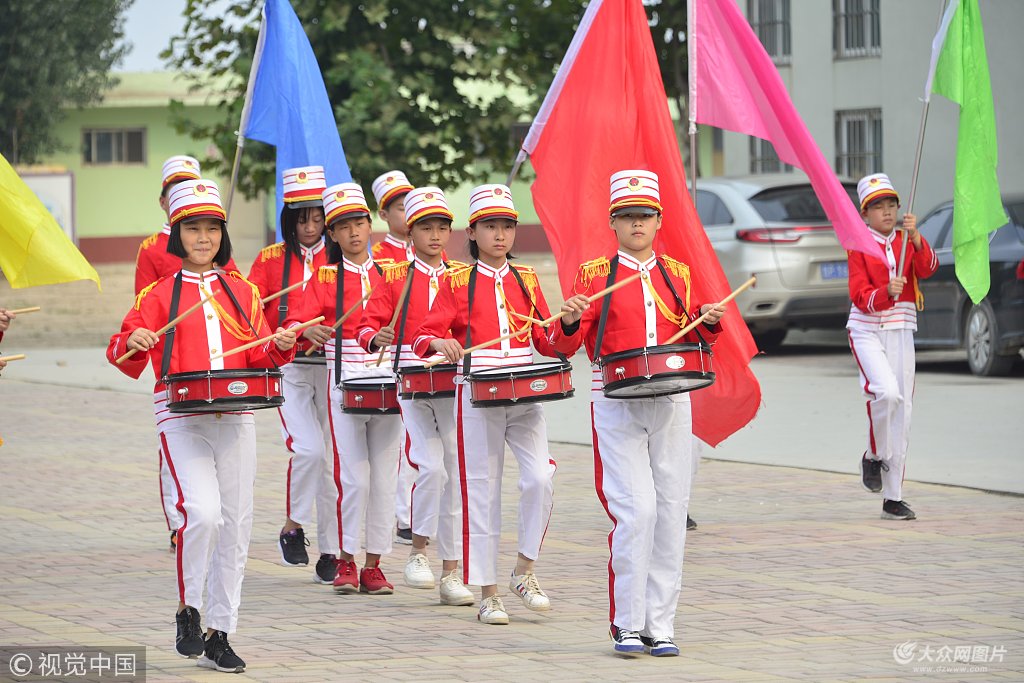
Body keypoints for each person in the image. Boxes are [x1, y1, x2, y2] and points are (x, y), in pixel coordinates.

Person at [107, 179, 296, 672]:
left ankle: (221, 630)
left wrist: (282, 341)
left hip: (235, 414)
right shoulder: (158, 293)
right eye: (193, 228)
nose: (204, 237)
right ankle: (188, 608)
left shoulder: (244, 291)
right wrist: (138, 336)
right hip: (180, 414)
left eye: (213, 227)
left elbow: (260, 355)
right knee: (204, 514)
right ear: (176, 233)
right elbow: (120, 351)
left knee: (237, 525)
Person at [549, 169, 726, 657]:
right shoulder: (594, 275)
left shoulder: (677, 273)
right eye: (627, 217)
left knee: (671, 510)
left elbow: (693, 337)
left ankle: (661, 625)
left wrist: (709, 324)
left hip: (672, 399)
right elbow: (559, 344)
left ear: (659, 220)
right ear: (613, 222)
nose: (637, 225)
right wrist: (567, 319)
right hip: (615, 399)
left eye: (644, 216)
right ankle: (626, 624)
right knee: (637, 511)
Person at [412, 184, 562, 625]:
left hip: (524, 392)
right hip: (476, 393)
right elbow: (425, 333)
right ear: (473, 232)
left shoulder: (528, 279)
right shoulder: (456, 280)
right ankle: (489, 592)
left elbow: (548, 340)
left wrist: (568, 321)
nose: (500, 235)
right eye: (490, 226)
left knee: (540, 478)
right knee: (480, 488)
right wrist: (439, 340)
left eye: (507, 226)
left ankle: (524, 570)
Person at [356, 187, 474, 606]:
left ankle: (451, 571)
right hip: (412, 384)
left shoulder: (462, 276)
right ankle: (418, 551)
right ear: (411, 232)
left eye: (443, 227)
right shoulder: (393, 276)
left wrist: (458, 343)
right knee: (433, 467)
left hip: (454, 384)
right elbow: (365, 328)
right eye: (427, 227)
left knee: (458, 475)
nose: (437, 235)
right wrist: (377, 338)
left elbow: (469, 327)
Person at [285, 181, 401, 595]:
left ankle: (375, 564)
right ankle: (347, 560)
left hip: (389, 385)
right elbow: (297, 324)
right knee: (353, 478)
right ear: (332, 234)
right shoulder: (324, 277)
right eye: (344, 226)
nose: (353, 232)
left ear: (371, 226)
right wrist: (307, 329)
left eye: (359, 222)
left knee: (386, 478)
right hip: (344, 387)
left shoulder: (392, 275)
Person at [136, 155, 241, 552]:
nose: (202, 237)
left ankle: (207, 523)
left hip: (216, 356)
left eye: (211, 229)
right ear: (164, 199)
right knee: (176, 443)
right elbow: (143, 307)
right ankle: (179, 522)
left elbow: (235, 297)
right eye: (174, 187)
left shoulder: (218, 251)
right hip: (173, 351)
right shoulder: (151, 248)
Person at [247, 166, 336, 582]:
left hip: (337, 369)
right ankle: (293, 526)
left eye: (318, 218)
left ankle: (333, 552)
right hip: (291, 368)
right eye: (303, 219)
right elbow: (248, 316)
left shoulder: (340, 258)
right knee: (309, 451)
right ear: (288, 219)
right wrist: (288, 334)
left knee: (335, 462)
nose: (312, 227)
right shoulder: (268, 260)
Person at [847, 173, 937, 521]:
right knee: (886, 394)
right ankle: (873, 455)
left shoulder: (905, 240)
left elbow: (929, 269)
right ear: (864, 213)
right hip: (867, 330)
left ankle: (893, 497)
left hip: (901, 329)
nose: (886, 212)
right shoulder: (858, 245)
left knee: (904, 409)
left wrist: (916, 238)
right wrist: (886, 292)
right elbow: (858, 294)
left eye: (891, 205)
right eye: (877, 206)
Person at [370, 169, 417, 543]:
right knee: (398, 441)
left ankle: (412, 511)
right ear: (384, 215)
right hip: (389, 354)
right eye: (400, 208)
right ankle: (403, 515)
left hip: (424, 355)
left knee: (414, 439)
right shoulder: (380, 257)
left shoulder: (427, 251)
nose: (408, 214)